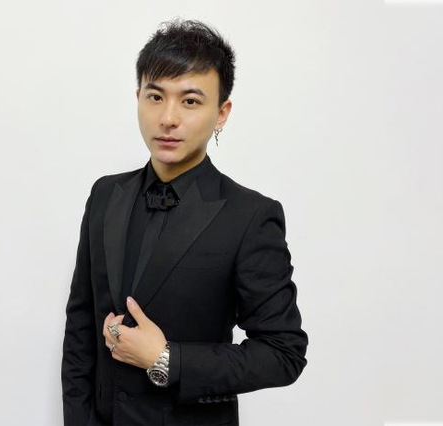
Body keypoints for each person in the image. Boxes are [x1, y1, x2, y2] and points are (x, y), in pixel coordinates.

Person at [61, 18, 308, 426]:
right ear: (138, 97)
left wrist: (166, 359)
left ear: (221, 113)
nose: (168, 118)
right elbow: (80, 329)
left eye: (190, 101)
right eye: (155, 97)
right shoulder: (105, 194)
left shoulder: (250, 216)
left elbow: (283, 353)